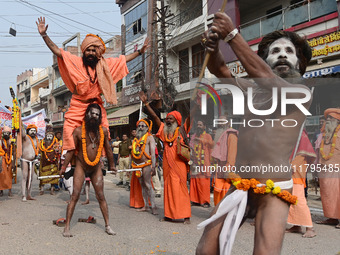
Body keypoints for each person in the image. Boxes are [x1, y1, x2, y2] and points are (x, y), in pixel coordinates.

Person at [196, 12, 312, 255]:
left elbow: (268, 80)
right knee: (206, 250)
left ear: (300, 63)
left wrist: (232, 35)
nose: (282, 55)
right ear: (264, 60)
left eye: (289, 52)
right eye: (275, 51)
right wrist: (214, 46)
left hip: (275, 187)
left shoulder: (301, 93)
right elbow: (221, 71)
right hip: (240, 184)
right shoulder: (250, 89)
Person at [36, 17, 148, 164]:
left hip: (95, 106)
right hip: (77, 104)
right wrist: (44, 35)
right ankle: (68, 163)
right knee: (69, 130)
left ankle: (102, 160)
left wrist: (140, 52)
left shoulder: (105, 65)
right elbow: (58, 51)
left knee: (104, 130)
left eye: (93, 50)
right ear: (84, 51)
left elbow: (123, 60)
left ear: (98, 53)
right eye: (87, 50)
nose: (90, 52)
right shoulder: (76, 62)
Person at [60, 103, 116, 237]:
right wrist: (63, 167)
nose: (94, 116)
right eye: (92, 113)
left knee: (101, 196)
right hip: (81, 165)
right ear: (87, 114)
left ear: (99, 117)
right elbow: (71, 150)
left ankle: (108, 225)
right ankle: (67, 227)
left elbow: (108, 149)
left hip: (96, 167)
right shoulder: (78, 131)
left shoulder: (103, 131)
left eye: (97, 114)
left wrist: (112, 165)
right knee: (75, 195)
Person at [140, 92, 193, 224]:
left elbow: (191, 118)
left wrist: (197, 102)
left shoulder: (182, 130)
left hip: (179, 164)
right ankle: (169, 215)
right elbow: (154, 117)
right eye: (167, 118)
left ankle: (186, 215)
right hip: (167, 166)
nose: (168, 120)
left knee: (181, 189)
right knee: (168, 189)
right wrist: (146, 103)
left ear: (177, 120)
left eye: (171, 118)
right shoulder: (164, 131)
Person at [286, 130, 316, 238]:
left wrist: (292, 166)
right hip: (287, 170)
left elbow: (302, 154)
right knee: (291, 200)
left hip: (296, 171)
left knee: (299, 200)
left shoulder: (301, 133)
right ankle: (296, 225)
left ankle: (310, 228)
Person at [315, 108, 340, 229]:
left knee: (338, 194)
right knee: (327, 194)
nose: (328, 120)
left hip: (337, 169)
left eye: (331, 118)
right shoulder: (323, 134)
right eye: (327, 118)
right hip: (323, 168)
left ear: (338, 120)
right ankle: (332, 217)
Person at [130, 118, 157, 214]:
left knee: (148, 185)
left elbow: (153, 153)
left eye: (143, 126)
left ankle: (153, 206)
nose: (140, 128)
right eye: (139, 126)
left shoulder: (150, 138)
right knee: (142, 185)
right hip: (137, 165)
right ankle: (146, 205)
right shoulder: (136, 139)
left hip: (146, 164)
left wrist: (153, 167)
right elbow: (133, 153)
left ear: (147, 128)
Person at [211, 120, 238, 206]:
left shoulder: (231, 135)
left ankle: (223, 213)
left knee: (225, 191)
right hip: (220, 167)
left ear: (228, 123)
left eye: (223, 121)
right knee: (218, 191)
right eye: (219, 121)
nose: (220, 123)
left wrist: (228, 169)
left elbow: (232, 154)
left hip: (226, 169)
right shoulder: (221, 134)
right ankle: (218, 211)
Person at [189, 120, 213, 208]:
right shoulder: (194, 136)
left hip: (204, 162)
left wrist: (200, 139)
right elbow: (190, 147)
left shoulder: (208, 136)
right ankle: (195, 200)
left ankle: (205, 201)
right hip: (195, 162)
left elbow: (211, 145)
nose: (198, 126)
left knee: (203, 182)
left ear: (204, 127)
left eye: (200, 124)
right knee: (194, 181)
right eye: (198, 124)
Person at [38, 125, 62, 195]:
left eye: (50, 136)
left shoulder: (56, 143)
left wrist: (58, 151)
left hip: (53, 162)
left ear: (53, 137)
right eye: (48, 136)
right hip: (44, 162)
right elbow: (40, 151)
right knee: (42, 176)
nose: (49, 137)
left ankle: (52, 189)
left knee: (53, 176)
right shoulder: (42, 143)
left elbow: (59, 151)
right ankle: (42, 189)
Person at [21, 124, 40, 202]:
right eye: (31, 130)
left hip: (32, 161)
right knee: (25, 177)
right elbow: (22, 132)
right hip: (25, 160)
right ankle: (23, 195)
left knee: (31, 178)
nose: (33, 132)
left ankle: (29, 194)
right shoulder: (25, 137)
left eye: (34, 130)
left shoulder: (36, 139)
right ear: (28, 131)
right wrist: (20, 122)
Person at [0, 126, 15, 197]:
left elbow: (14, 152)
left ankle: (10, 190)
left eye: (7, 133)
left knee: (10, 175)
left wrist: (14, 162)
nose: (6, 134)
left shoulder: (12, 142)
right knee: (2, 175)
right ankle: (1, 190)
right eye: (4, 133)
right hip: (2, 159)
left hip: (10, 160)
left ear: (9, 134)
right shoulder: (1, 141)